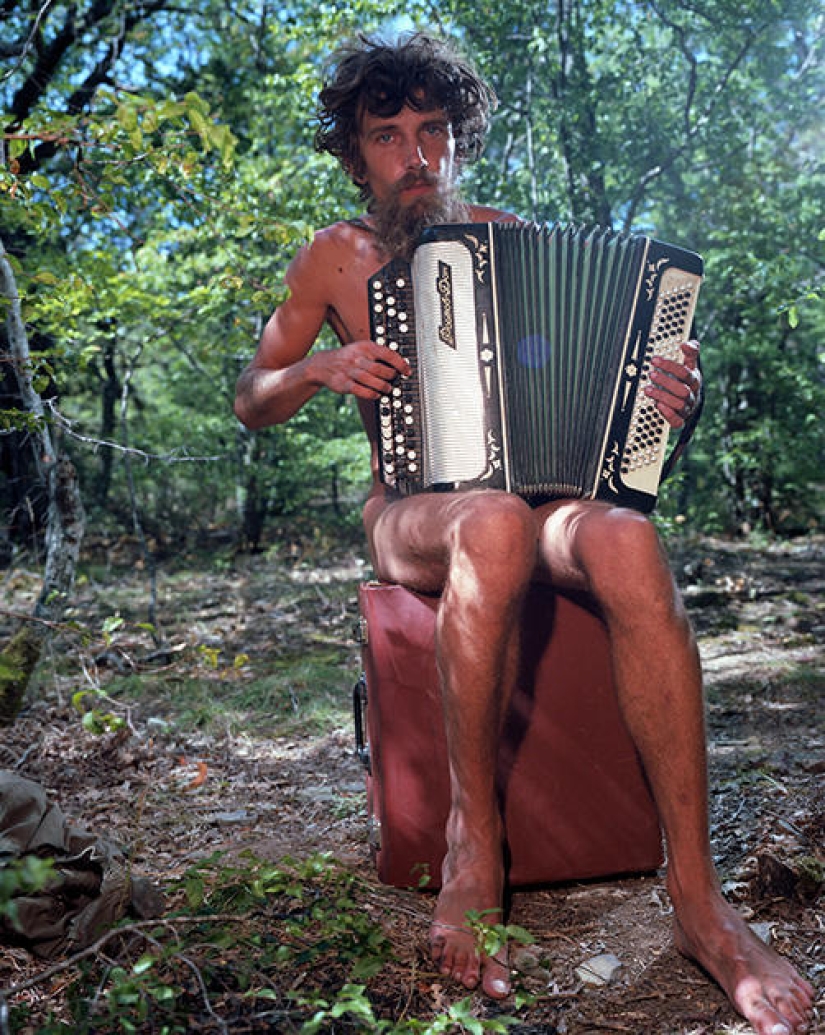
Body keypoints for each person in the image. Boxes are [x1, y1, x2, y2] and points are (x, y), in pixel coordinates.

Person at [234, 32, 815, 1035]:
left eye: (434, 131)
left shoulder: (511, 235)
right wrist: (315, 372)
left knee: (625, 538)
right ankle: (475, 845)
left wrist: (676, 391)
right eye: (388, 135)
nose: (415, 155)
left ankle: (697, 901)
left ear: (458, 142)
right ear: (354, 152)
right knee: (490, 522)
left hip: (537, 502)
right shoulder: (336, 257)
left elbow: (605, 377)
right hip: (410, 510)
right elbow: (250, 396)